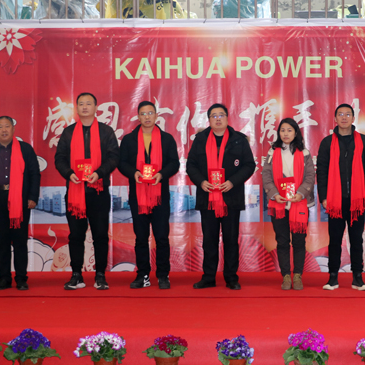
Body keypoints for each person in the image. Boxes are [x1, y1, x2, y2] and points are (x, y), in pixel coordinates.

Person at [186, 103, 256, 290]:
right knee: (209, 240)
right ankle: (208, 277)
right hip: (207, 198)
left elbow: (249, 165)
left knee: (231, 240)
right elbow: (191, 165)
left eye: (221, 115)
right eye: (214, 116)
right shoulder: (200, 140)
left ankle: (231, 278)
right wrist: (201, 182)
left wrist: (232, 181)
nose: (218, 119)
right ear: (209, 120)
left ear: (227, 118)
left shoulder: (239, 140)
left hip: (230, 197)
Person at [55, 92, 120, 290]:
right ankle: (76, 275)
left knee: (100, 235)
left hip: (98, 192)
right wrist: (69, 174)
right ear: (77, 108)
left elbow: (114, 157)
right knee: (76, 235)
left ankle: (100, 275)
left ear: (95, 107)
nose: (84, 107)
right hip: (75, 190)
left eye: (88, 103)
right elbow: (59, 158)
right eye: (81, 104)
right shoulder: (68, 133)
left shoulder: (106, 131)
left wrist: (99, 173)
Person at [316, 103, 365, 291]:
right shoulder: (327, 142)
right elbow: (322, 171)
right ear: (335, 118)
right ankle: (332, 278)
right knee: (334, 240)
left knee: (357, 239)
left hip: (357, 201)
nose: (344, 117)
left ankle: (357, 278)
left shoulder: (364, 141)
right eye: (340, 114)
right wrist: (323, 197)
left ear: (353, 118)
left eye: (348, 114)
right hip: (335, 201)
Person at [118, 101, 180, 289]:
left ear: (156, 115)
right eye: (143, 114)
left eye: (150, 113)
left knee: (161, 237)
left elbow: (174, 163)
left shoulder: (166, 139)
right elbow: (122, 163)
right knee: (141, 238)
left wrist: (161, 174)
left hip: (159, 195)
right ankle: (143, 275)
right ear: (138, 116)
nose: (147, 117)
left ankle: (163, 275)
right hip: (138, 196)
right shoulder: (129, 140)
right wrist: (134, 173)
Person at [0, 116, 41, 290]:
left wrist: (33, 197)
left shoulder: (25, 149)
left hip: (20, 200)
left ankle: (21, 278)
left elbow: (34, 174)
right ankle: (4, 278)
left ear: (13, 129)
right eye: (0, 127)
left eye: (7, 126)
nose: (4, 130)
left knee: (20, 241)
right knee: (2, 241)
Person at [262, 118, 315, 290]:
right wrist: (274, 194)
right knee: (282, 241)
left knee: (299, 241)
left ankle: (298, 275)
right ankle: (285, 276)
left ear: (296, 132)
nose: (286, 134)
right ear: (279, 133)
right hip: (279, 204)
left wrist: (301, 194)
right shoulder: (272, 152)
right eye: (282, 130)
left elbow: (310, 176)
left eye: (289, 130)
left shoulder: (304, 153)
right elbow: (266, 175)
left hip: (299, 203)